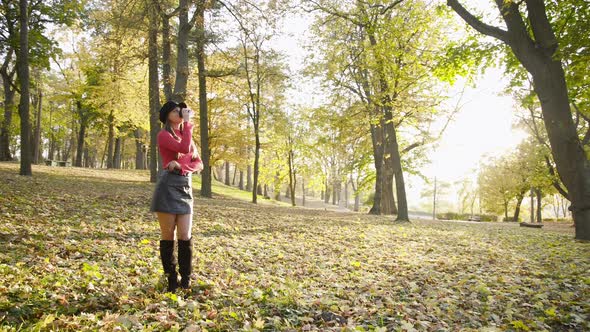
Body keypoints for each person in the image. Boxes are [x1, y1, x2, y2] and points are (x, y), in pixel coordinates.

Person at [150, 100, 203, 292]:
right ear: (167, 116)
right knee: (168, 235)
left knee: (185, 234)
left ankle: (186, 278)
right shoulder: (163, 135)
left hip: (185, 187)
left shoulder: (187, 135)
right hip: (168, 186)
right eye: (175, 111)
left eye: (181, 110)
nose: (180, 112)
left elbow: (199, 164)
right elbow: (182, 148)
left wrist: (183, 167)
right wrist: (188, 124)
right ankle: (171, 279)